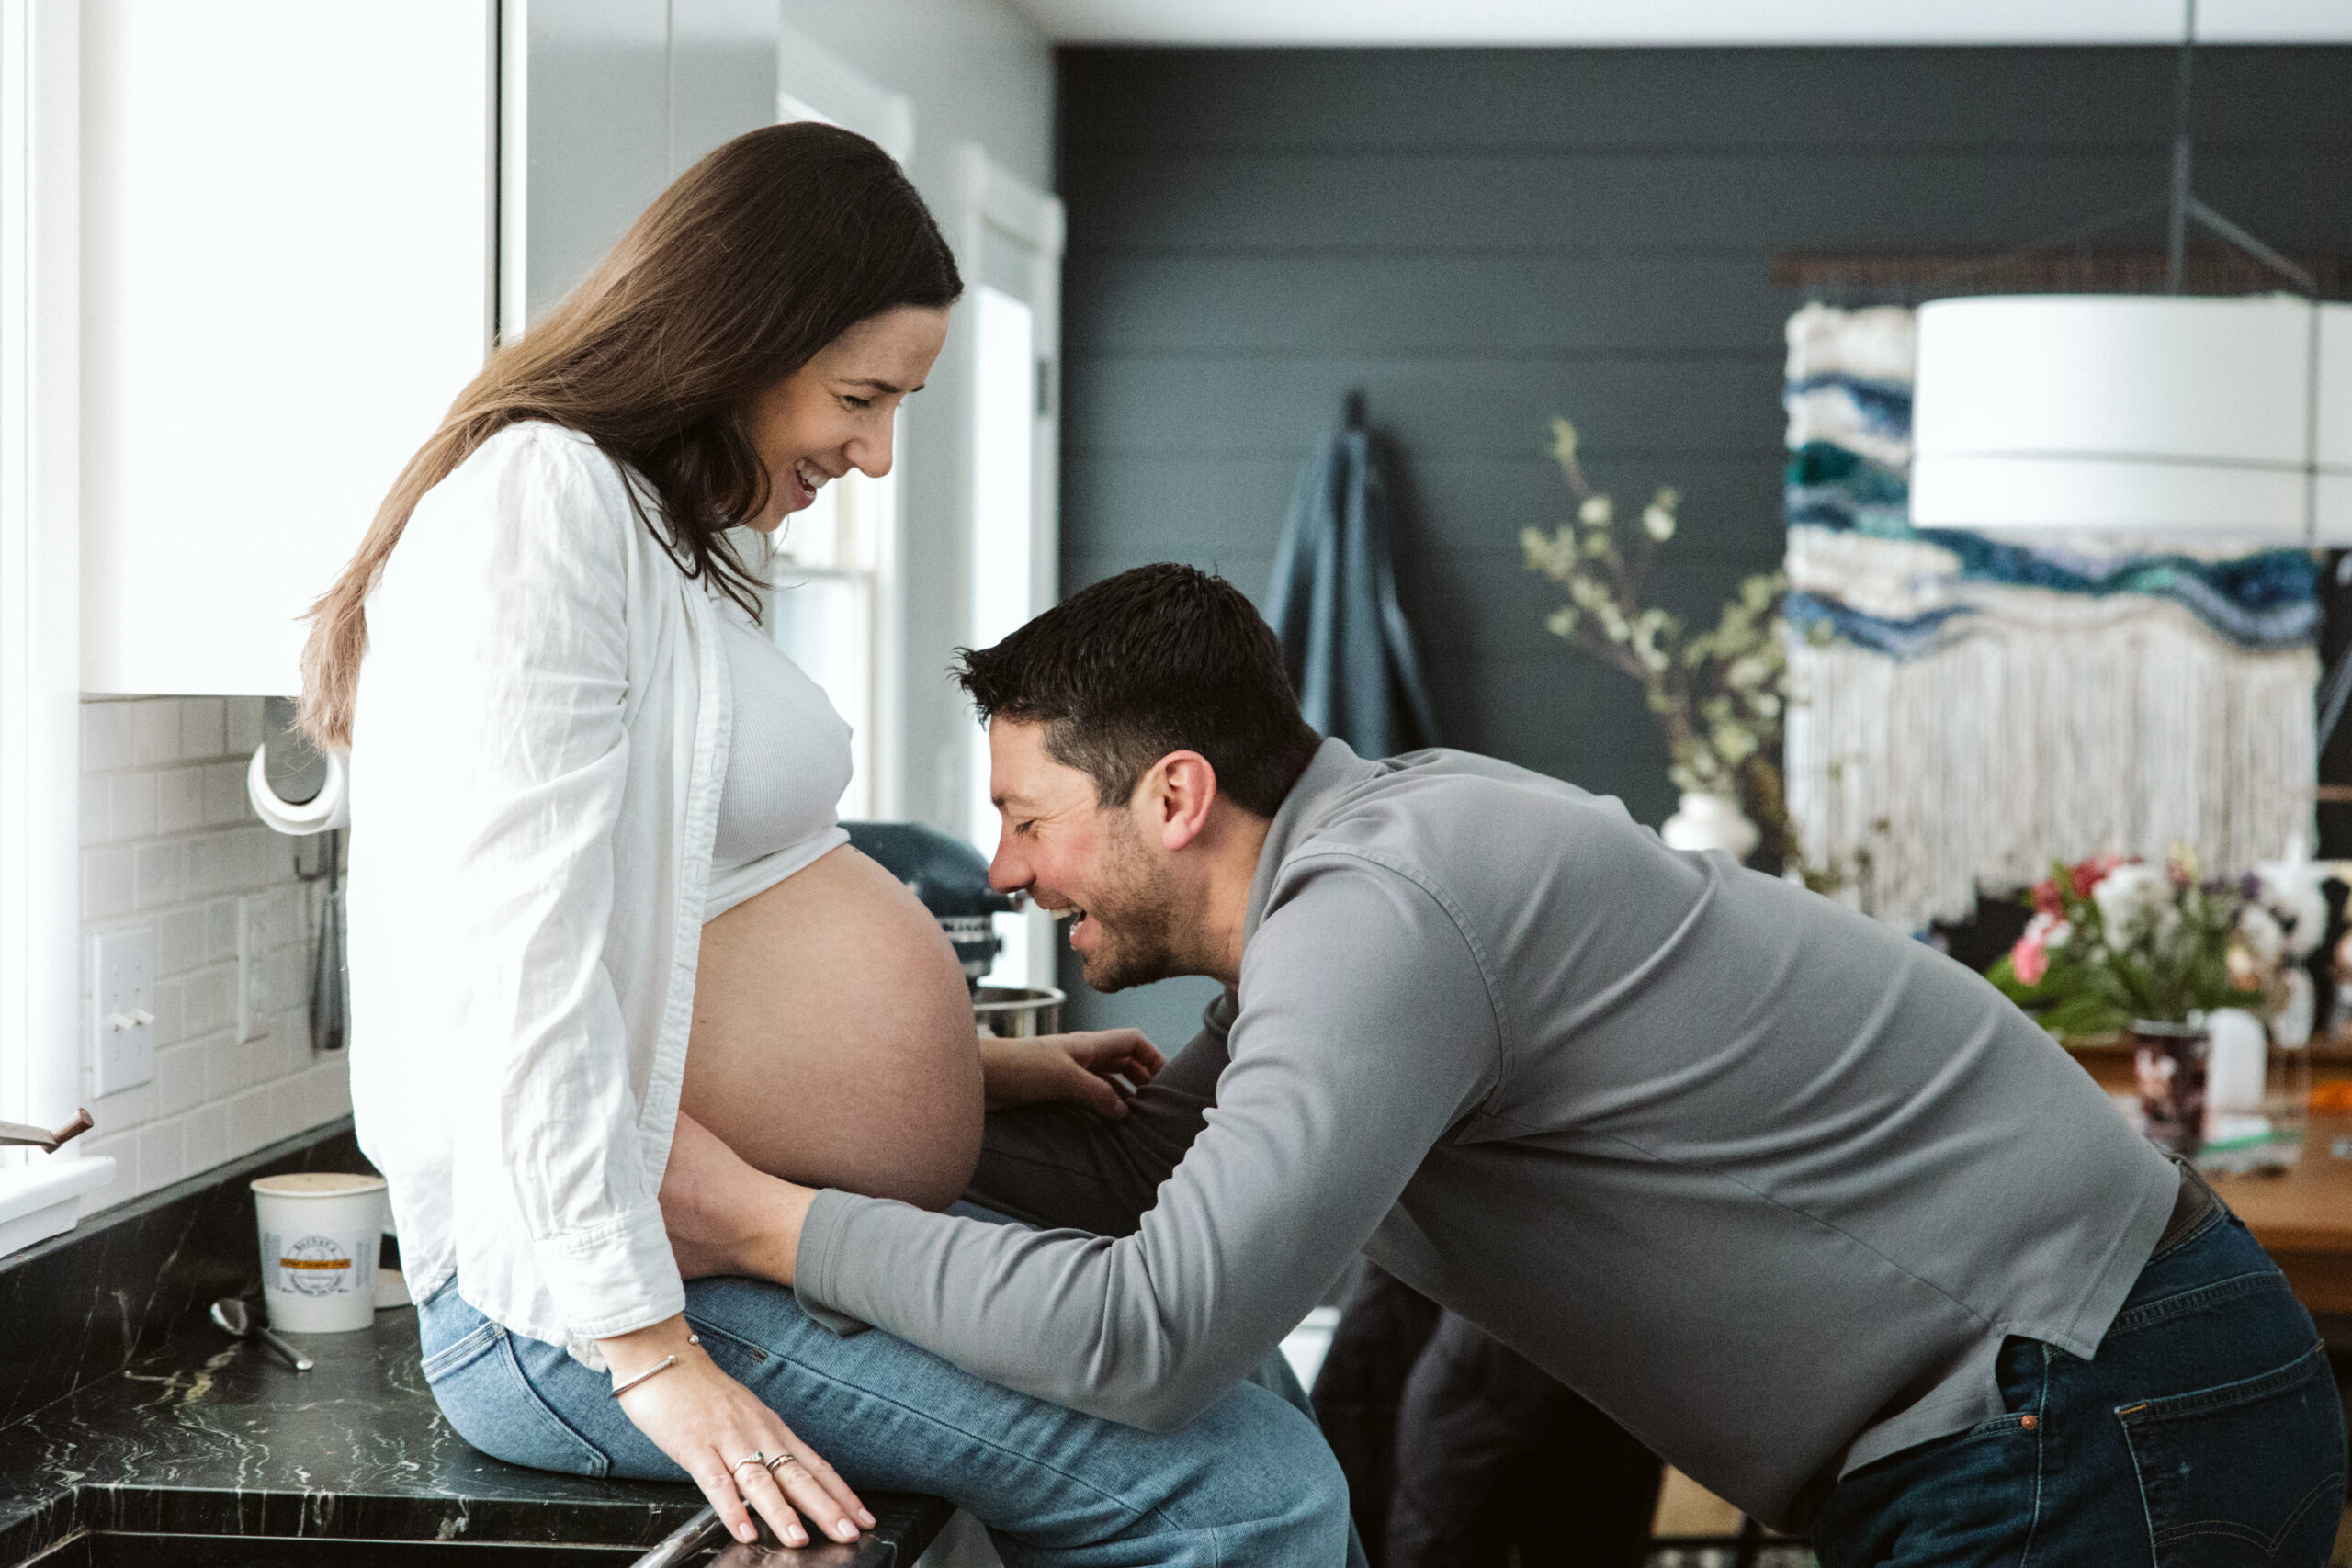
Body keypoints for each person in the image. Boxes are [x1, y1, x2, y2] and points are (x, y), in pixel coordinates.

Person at [664, 562, 2348, 1564]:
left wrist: (756, 1226)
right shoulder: (1369, 865)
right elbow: (1138, 1185)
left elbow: (1147, 1333)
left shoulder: (1383, 915)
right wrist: (928, 1095)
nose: (1009, 874)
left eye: (1028, 820)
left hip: (2088, 1400)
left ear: (1175, 797)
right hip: (2061, 1397)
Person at [306, 128, 1352, 1564]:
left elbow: (671, 922)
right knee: (1241, 1493)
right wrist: (650, 1352)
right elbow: (519, 978)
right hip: (571, 1300)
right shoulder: (539, 505)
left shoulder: (655, 536)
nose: (874, 452)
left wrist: (966, 1073)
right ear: (738, 334)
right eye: (860, 396)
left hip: (693, 1226)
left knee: (1247, 1383)